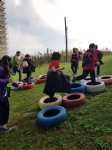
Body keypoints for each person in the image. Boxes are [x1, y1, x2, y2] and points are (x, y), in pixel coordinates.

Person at [0, 55, 19, 133]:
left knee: (5, 108)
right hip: (0, 94)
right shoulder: (0, 69)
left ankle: (2, 125)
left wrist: (16, 85)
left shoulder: (4, 69)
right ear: (6, 61)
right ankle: (1, 126)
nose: (10, 63)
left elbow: (9, 80)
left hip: (3, 93)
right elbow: (6, 80)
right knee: (4, 109)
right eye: (9, 62)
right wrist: (7, 81)